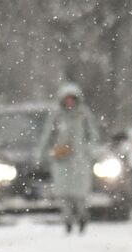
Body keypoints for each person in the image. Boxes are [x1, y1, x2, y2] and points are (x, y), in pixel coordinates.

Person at [38, 82, 101, 233]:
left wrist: (88, 150)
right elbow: (47, 136)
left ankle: (82, 217)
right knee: (63, 194)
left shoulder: (83, 115)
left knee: (80, 195)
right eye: (67, 99)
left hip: (80, 161)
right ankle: (67, 220)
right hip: (61, 160)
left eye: (72, 99)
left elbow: (93, 135)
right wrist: (45, 154)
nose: (69, 103)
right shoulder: (57, 116)